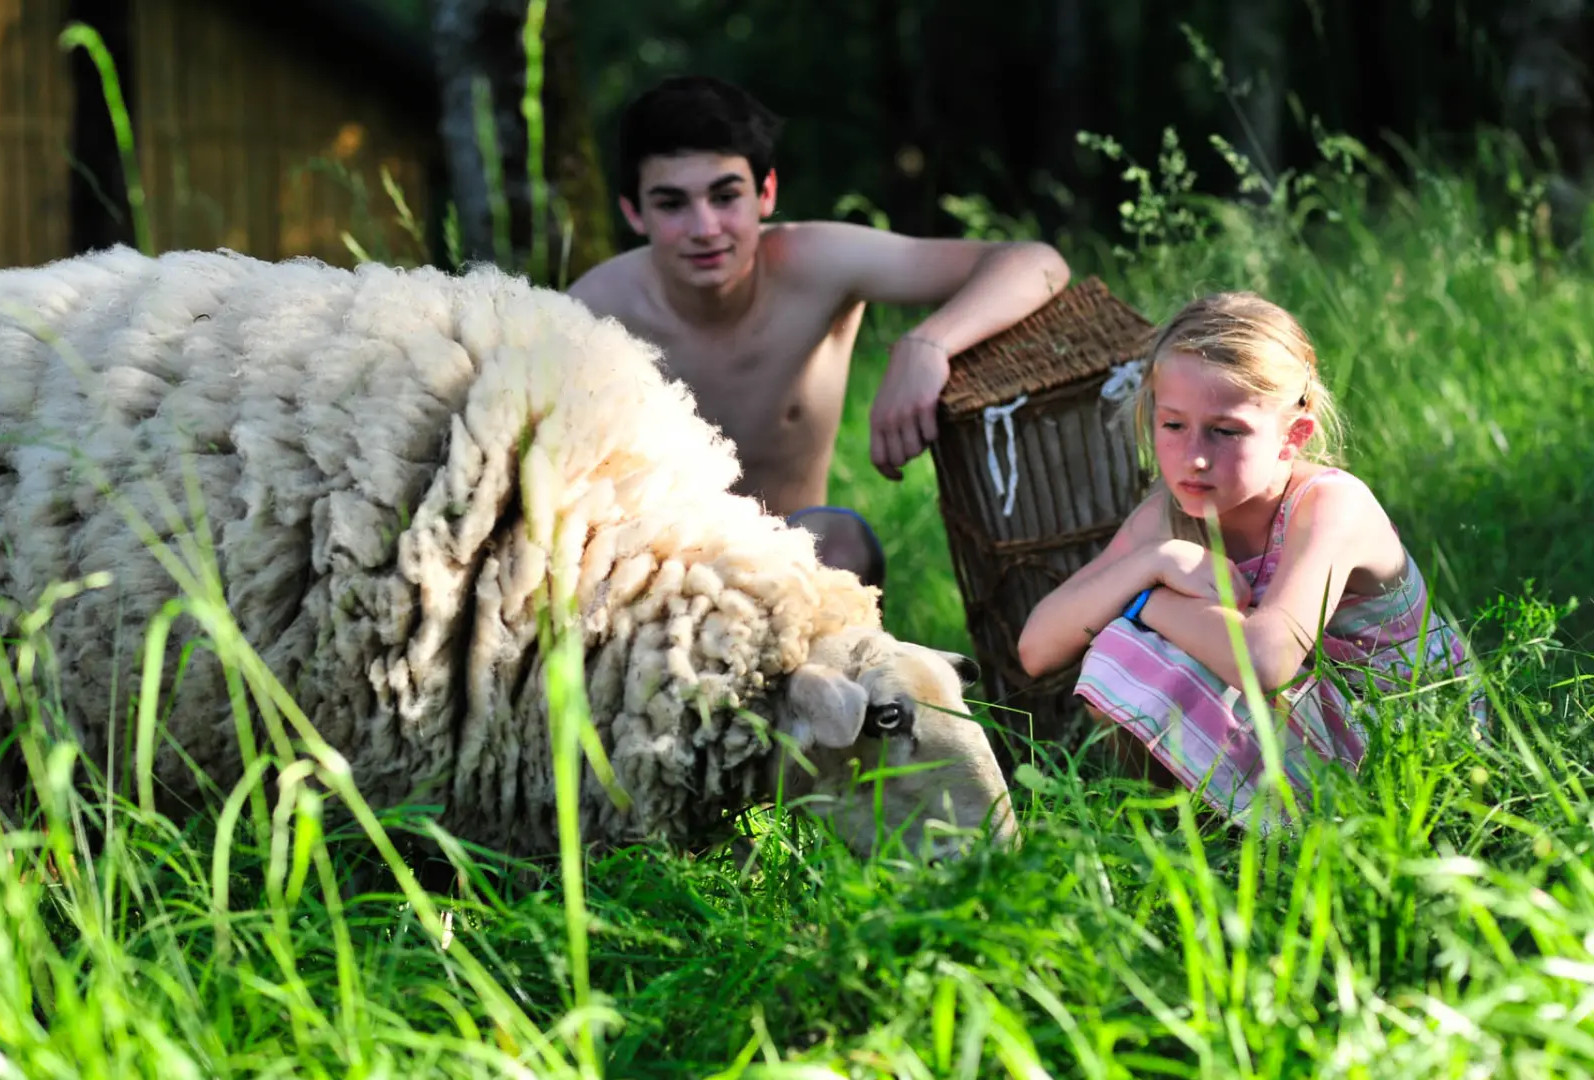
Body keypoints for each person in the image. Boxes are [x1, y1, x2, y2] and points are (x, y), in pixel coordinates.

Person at [567, 75, 1071, 591]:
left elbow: (1036, 263)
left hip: (794, 561)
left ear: (766, 193)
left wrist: (928, 344)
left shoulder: (816, 264)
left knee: (844, 542)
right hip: (656, 575)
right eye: (672, 204)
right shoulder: (591, 314)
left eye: (725, 196)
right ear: (634, 212)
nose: (705, 228)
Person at [1016, 291, 1478, 823]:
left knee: (1128, 637)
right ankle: (1188, 830)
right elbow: (1037, 646)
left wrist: (1144, 603)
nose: (1194, 457)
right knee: (1121, 651)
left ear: (1292, 436)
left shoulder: (1330, 505)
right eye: (1173, 425)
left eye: (1225, 431)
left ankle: (1255, 833)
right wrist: (1153, 562)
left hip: (1416, 747)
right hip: (1316, 733)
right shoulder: (1167, 519)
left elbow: (1266, 659)